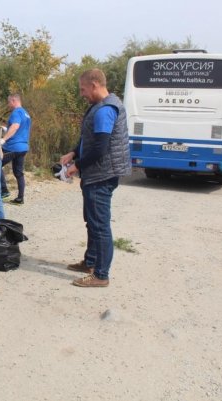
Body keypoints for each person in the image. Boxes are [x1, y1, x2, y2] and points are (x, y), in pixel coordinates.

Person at [60, 68, 131, 288]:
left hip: (101, 174)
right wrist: (74, 152)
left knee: (99, 225)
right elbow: (88, 139)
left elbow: (100, 147)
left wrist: (76, 166)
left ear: (94, 84)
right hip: (97, 174)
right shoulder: (100, 106)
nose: (82, 94)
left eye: (83, 89)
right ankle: (90, 262)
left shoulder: (105, 110)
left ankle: (101, 275)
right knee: (92, 221)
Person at [0, 93, 31, 205]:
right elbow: (20, 128)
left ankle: (4, 192)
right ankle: (20, 198)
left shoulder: (16, 112)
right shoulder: (26, 113)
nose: (8, 105)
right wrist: (6, 128)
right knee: (19, 173)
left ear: (13, 100)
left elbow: (15, 126)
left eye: (9, 102)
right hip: (23, 148)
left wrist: (4, 139)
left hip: (12, 147)